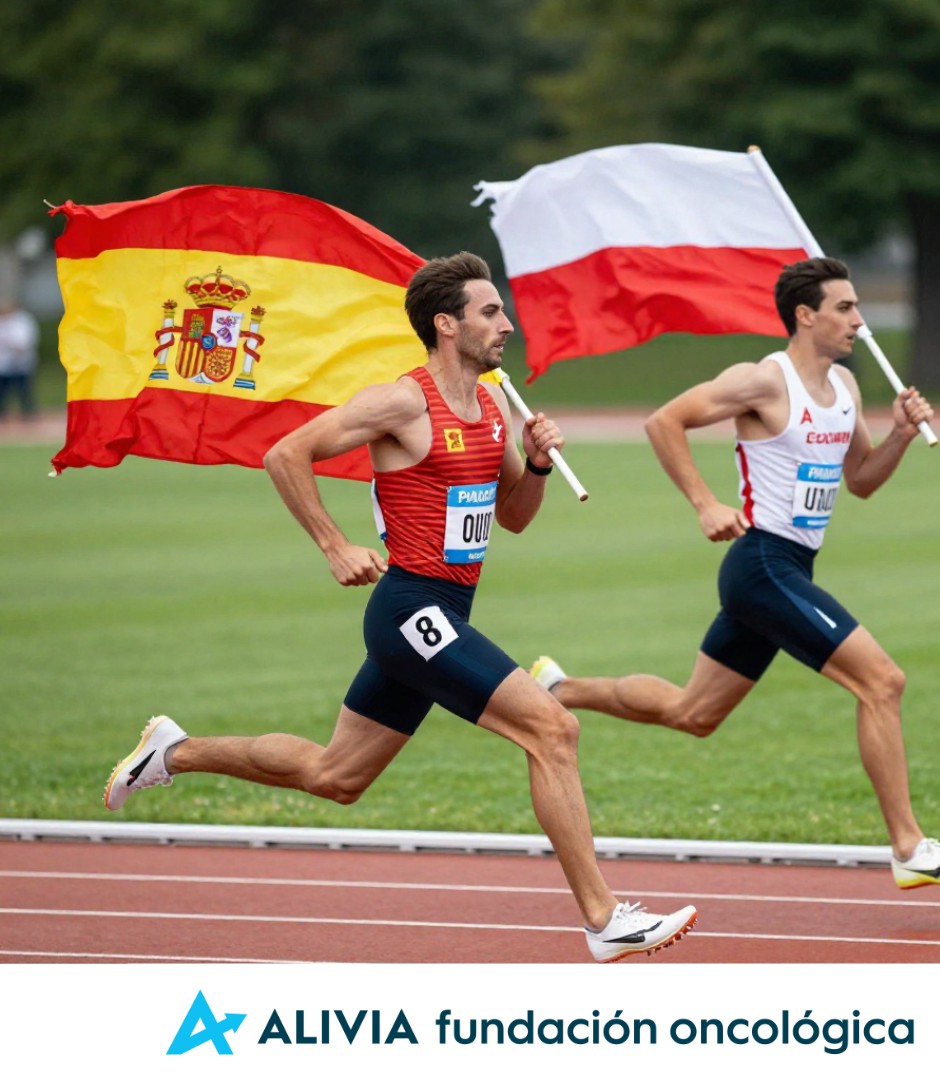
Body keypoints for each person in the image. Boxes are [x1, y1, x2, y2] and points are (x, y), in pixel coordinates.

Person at [104, 252, 696, 963]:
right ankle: (603, 919)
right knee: (553, 728)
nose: (506, 324)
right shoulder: (403, 403)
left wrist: (536, 462)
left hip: (447, 613)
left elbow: (513, 517)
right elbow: (285, 454)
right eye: (490, 312)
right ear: (447, 325)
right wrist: (334, 545)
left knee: (337, 777)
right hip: (410, 608)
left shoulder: (492, 407)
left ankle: (174, 750)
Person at [531, 257, 940, 891]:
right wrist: (705, 503)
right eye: (845, 308)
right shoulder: (763, 381)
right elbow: (663, 421)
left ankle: (559, 690)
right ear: (806, 315)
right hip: (762, 564)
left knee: (694, 712)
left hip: (790, 567)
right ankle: (909, 847)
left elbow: (860, 480)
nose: (859, 320)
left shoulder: (846, 387)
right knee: (882, 682)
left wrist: (902, 435)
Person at [0, 298, 39, 421]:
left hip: (20, 363)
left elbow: (24, 341)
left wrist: (17, 350)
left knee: (23, 389)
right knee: (2, 390)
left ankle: (28, 412)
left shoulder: (22, 321)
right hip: (4, 363)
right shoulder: (2, 322)